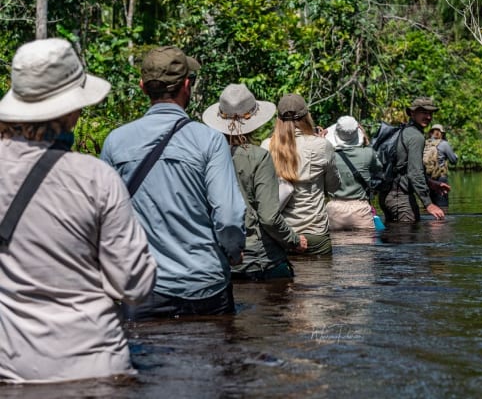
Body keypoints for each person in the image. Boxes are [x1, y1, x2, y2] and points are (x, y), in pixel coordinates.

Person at [0, 38, 156, 383]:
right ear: (72, 110)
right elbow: (134, 285)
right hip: (96, 368)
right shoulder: (95, 177)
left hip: (13, 372)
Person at [100, 45, 246, 319]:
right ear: (187, 85)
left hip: (143, 289)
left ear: (143, 87)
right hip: (206, 287)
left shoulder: (115, 142)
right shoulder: (210, 140)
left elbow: (105, 221)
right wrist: (234, 250)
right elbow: (227, 217)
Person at [202, 83, 308, 280]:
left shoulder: (206, 157)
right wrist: (294, 241)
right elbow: (269, 217)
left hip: (219, 259)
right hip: (259, 261)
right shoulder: (259, 157)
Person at [262, 93, 340, 255]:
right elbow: (334, 187)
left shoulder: (266, 146)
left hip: (280, 235)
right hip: (316, 235)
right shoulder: (322, 145)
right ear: (306, 117)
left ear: (278, 119)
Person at [378, 97, 450, 223]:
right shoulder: (416, 137)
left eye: (430, 113)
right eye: (424, 112)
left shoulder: (404, 131)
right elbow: (414, 172)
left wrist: (430, 183)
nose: (428, 117)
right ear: (412, 113)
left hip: (387, 195)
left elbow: (403, 168)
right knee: (408, 238)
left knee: (395, 238)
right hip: (400, 198)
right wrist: (428, 204)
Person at [324, 115, 382, 230]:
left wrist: (321, 140)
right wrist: (367, 142)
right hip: (360, 209)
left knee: (337, 247)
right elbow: (378, 168)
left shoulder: (329, 156)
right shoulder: (368, 153)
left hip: (335, 210)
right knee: (363, 247)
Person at [424, 124, 458, 210]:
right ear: (442, 133)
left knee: (430, 207)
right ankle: (442, 223)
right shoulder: (444, 144)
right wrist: (455, 156)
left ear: (431, 132)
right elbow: (453, 161)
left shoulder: (425, 143)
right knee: (443, 207)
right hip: (440, 179)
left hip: (427, 180)